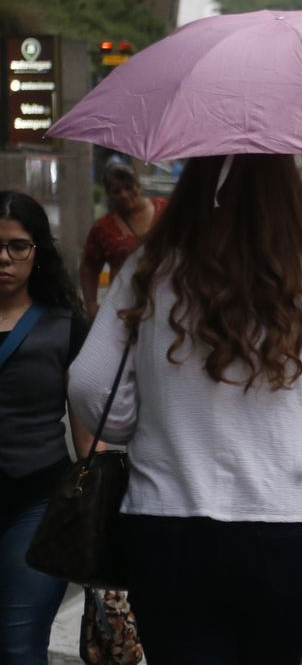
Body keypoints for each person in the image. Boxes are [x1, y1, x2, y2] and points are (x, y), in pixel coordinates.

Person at [67, 155, 302, 664]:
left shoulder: (149, 265)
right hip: (284, 521)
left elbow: (90, 383)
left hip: (168, 520)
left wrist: (140, 423)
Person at [0, 191, 93, 664]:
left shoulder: (65, 326)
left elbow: (85, 440)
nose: (4, 258)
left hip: (37, 504)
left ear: (37, 253)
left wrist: (101, 512)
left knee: (18, 647)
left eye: (18, 246)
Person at [80, 163, 167, 318]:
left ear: (139, 186)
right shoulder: (103, 228)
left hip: (166, 302)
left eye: (129, 187)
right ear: (108, 194)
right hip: (122, 310)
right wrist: (91, 304)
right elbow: (89, 267)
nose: (124, 194)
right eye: (116, 191)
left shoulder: (165, 210)